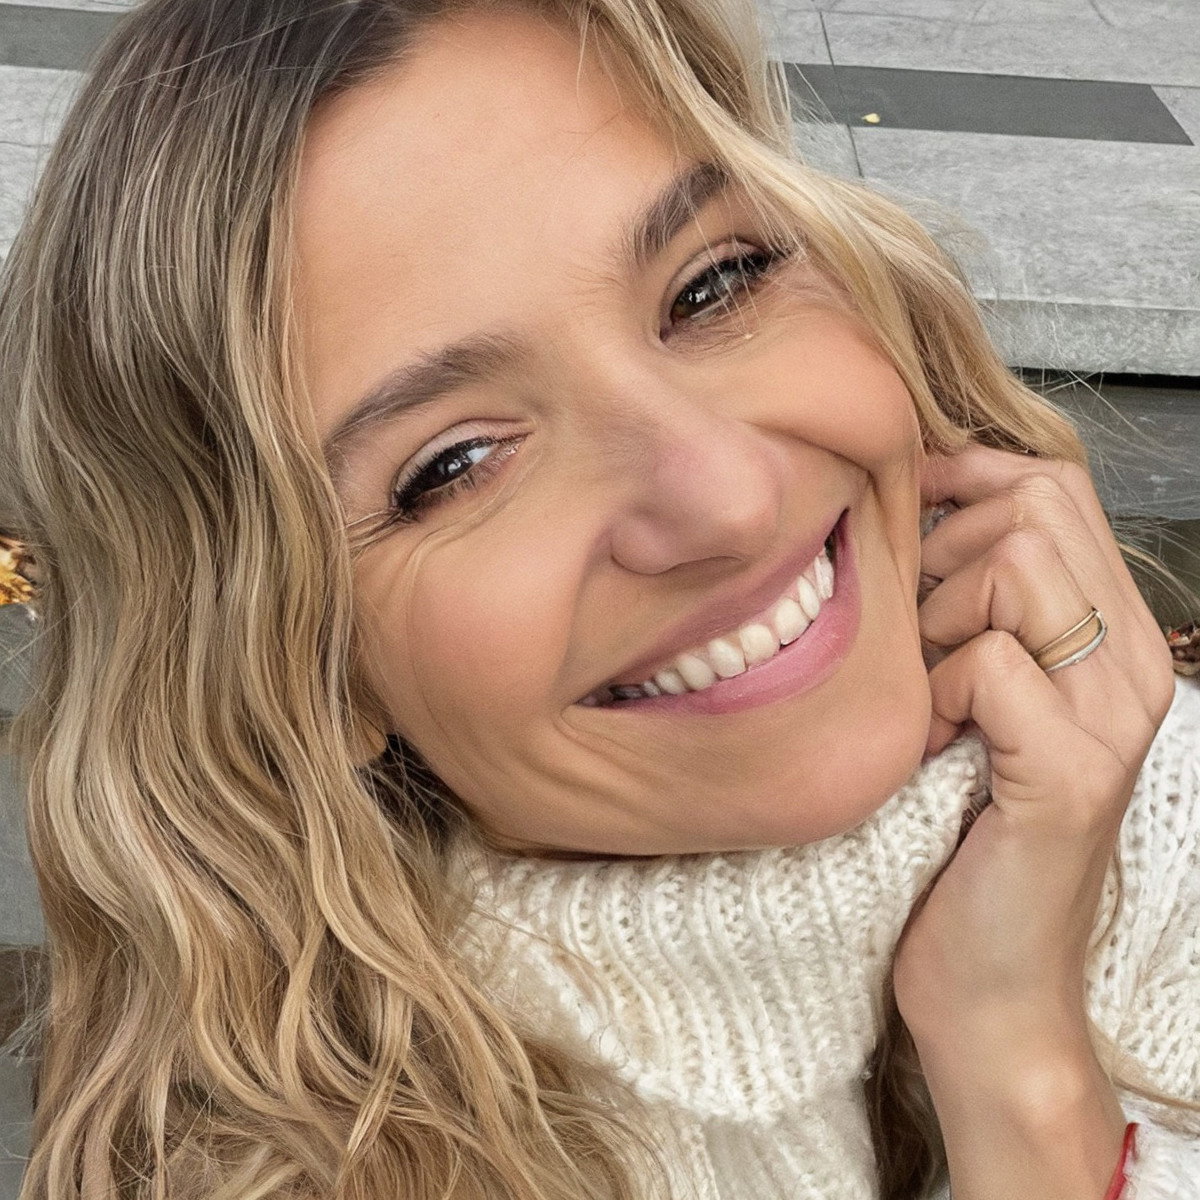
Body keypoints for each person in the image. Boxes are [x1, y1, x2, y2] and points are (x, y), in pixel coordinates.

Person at [0, 0, 1197, 1196]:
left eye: (713, 286)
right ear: (293, 665)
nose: (729, 499)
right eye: (457, 464)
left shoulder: (1158, 815)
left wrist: (1013, 1016)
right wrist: (1025, 1083)